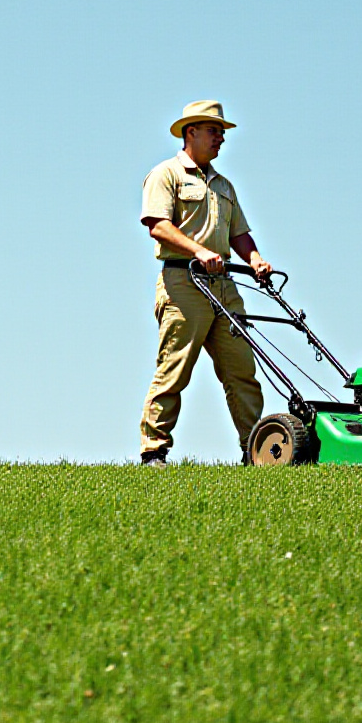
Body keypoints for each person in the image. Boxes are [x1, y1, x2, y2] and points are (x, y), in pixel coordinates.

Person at [138, 100, 275, 465]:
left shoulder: (224, 185)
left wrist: (256, 259)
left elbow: (240, 233)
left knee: (242, 369)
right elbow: (158, 225)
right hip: (184, 281)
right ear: (191, 132)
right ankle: (154, 450)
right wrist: (199, 251)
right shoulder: (166, 174)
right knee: (175, 366)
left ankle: (255, 451)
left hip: (225, 284)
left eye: (222, 132)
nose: (221, 139)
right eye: (215, 131)